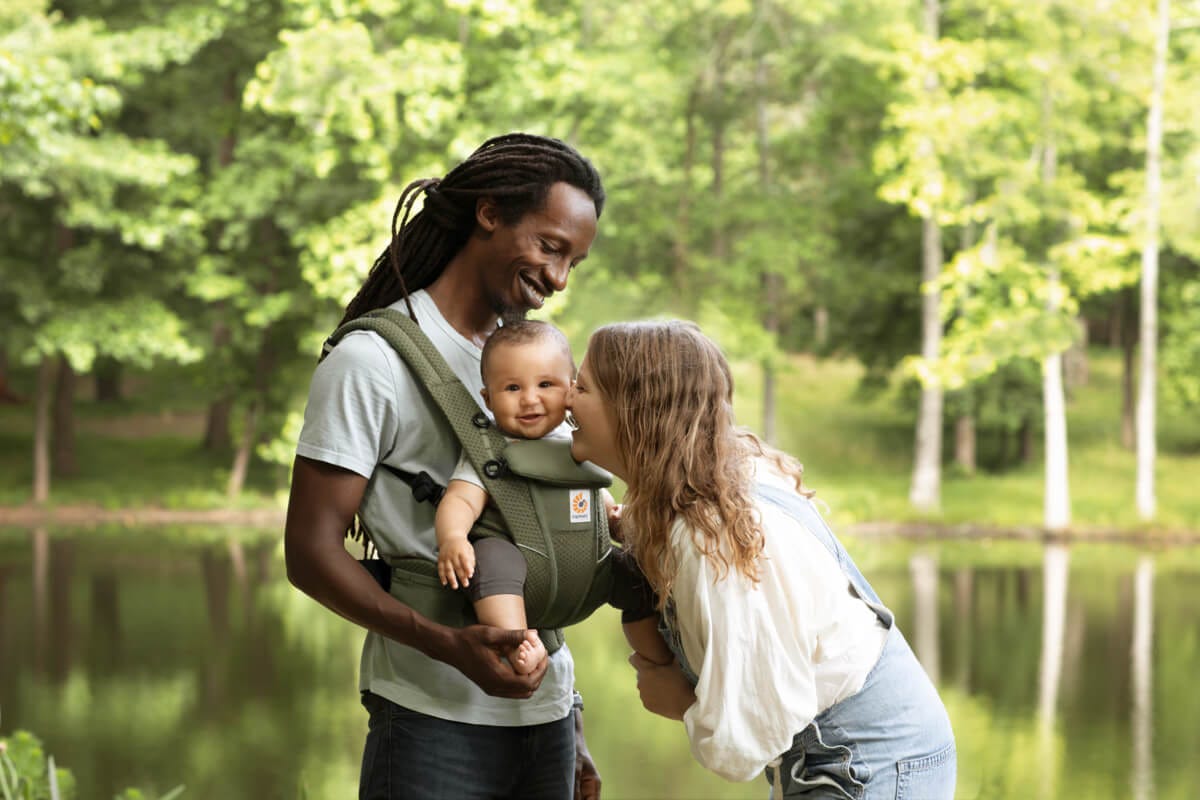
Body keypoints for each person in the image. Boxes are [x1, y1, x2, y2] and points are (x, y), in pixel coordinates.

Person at [284, 133, 606, 800]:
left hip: (545, 720)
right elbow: (310, 554)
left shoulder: (530, 365)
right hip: (431, 725)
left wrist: (571, 722)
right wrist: (445, 644)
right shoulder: (372, 362)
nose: (558, 279)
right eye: (550, 247)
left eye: (574, 261)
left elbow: (541, 530)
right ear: (489, 213)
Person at [565, 320, 957, 799]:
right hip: (851, 759)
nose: (565, 399)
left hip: (868, 768)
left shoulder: (715, 542)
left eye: (581, 387)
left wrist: (683, 703)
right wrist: (631, 527)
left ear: (633, 410)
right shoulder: (716, 487)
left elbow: (748, 740)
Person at [435, 319, 672, 675]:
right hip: (521, 573)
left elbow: (590, 491)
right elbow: (460, 499)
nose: (530, 399)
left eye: (546, 384)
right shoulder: (490, 449)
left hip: (588, 569)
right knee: (490, 559)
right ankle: (520, 643)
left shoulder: (577, 440)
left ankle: (656, 660)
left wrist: (614, 518)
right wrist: (453, 537)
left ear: (572, 390)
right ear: (487, 398)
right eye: (512, 388)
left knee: (638, 578)